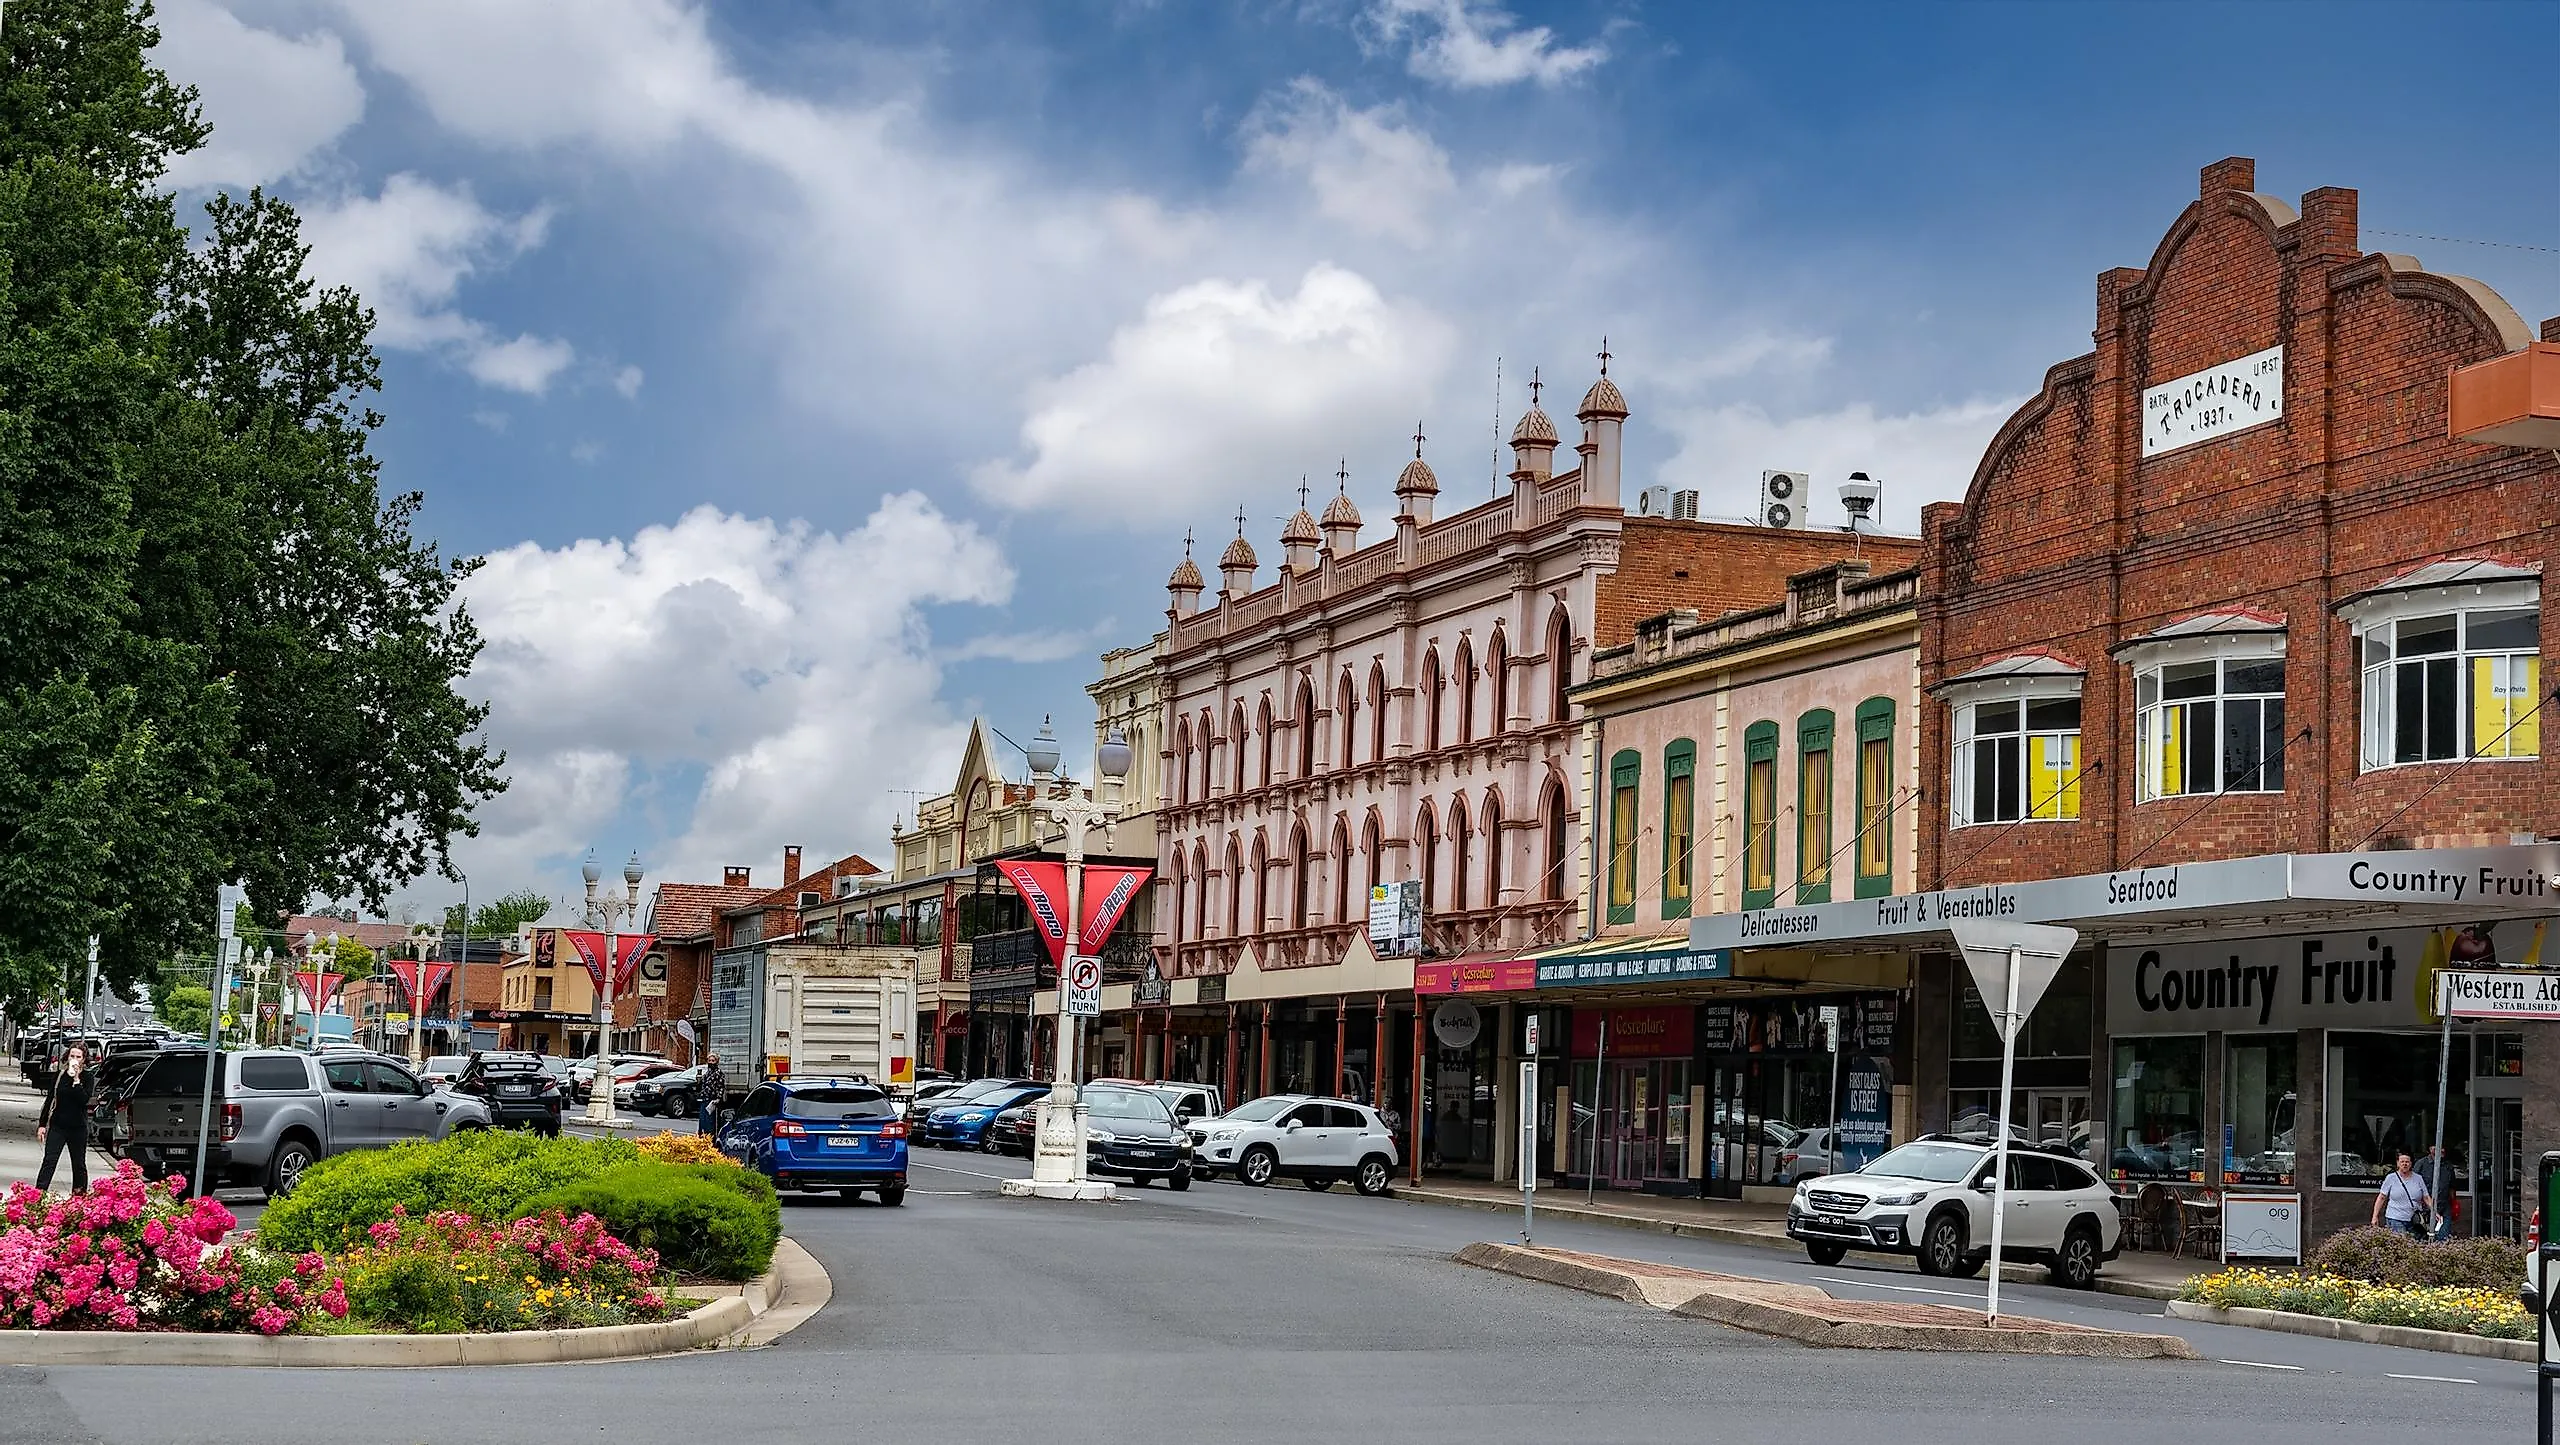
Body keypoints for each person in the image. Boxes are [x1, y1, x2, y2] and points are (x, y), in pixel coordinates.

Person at [34, 1044, 91, 1194]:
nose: (74, 1059)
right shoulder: (59, 1076)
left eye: (78, 1057)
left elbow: (84, 1100)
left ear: (84, 1059)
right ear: (67, 1057)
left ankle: (79, 1197)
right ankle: (38, 1195)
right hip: (58, 1125)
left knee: (78, 1164)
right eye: (72, 1056)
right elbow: (49, 1100)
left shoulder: (87, 1077)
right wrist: (42, 1125)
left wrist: (77, 1080)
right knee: (49, 1161)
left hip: (78, 1127)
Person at [2371, 1151, 2433, 1237]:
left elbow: (2426, 1197)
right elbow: (2381, 1197)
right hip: (2395, 1218)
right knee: (2401, 1241)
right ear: (2397, 1163)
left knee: (2415, 1243)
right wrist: (2375, 1216)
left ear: (2411, 1164)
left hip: (2414, 1220)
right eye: (2402, 1162)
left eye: (2407, 1162)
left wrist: (2434, 1212)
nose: (2404, 1164)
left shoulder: (2418, 1178)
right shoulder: (2391, 1178)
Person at [2420, 1145, 2460, 1239]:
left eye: (2443, 1148)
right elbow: (2414, 1184)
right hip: (2426, 1208)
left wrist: (2454, 1204)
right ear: (2430, 1149)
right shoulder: (2421, 1164)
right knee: (2425, 1238)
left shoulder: (2448, 1166)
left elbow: (2452, 1187)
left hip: (2444, 1207)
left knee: (2443, 1237)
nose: (2442, 1150)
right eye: (2438, 1148)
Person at [696, 1051, 726, 1135]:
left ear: (717, 1061)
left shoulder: (719, 1073)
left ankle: (710, 1138)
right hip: (704, 1099)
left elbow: (721, 1086)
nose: (711, 1062)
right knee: (703, 1120)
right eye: (709, 1060)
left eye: (713, 1060)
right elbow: (702, 1085)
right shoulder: (707, 1073)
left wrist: (718, 1098)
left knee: (710, 1122)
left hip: (712, 1101)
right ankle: (702, 1137)